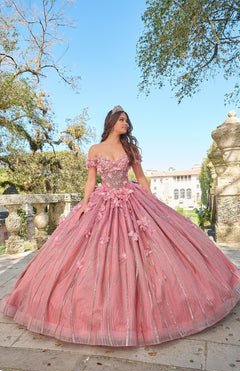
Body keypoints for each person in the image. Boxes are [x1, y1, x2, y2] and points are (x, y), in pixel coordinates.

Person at [1, 105, 240, 347]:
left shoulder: (130, 148)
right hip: (102, 202)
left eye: (127, 120)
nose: (126, 123)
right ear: (112, 122)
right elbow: (91, 181)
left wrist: (151, 199)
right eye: (122, 120)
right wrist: (84, 205)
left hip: (131, 199)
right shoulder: (95, 149)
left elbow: (141, 176)